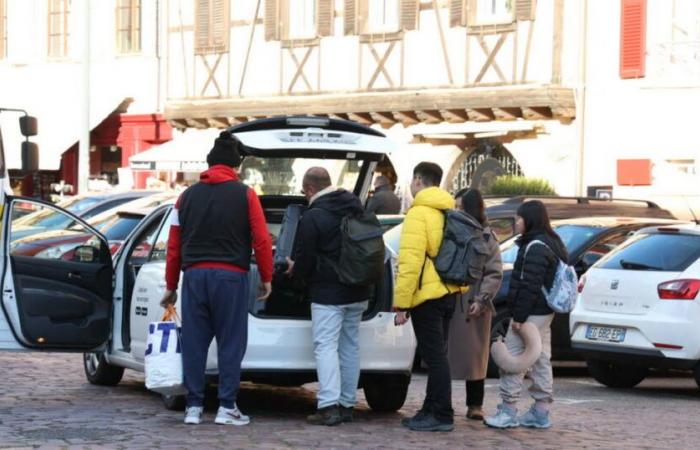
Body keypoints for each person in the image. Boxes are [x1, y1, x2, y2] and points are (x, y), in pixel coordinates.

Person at [160, 131, 273, 426]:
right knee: (230, 341)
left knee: (195, 342)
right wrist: (267, 275)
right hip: (231, 276)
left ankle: (194, 406)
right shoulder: (246, 194)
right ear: (235, 167)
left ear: (209, 164)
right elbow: (261, 239)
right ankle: (226, 406)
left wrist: (171, 285)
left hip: (194, 276)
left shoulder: (185, 197)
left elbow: (174, 246)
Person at [285, 167, 370, 426]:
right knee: (350, 346)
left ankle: (328, 406)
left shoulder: (314, 216)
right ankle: (346, 405)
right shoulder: (357, 208)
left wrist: (293, 272)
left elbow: (306, 259)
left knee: (326, 346)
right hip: (358, 290)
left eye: (303, 191)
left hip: (327, 293)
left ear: (310, 189)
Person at [484, 200, 567, 430]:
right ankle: (541, 411)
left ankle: (508, 411)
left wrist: (519, 318)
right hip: (544, 313)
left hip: (530, 313)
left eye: (520, 218)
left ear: (530, 219)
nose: (517, 222)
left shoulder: (536, 247)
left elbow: (529, 284)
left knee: (513, 358)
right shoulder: (552, 242)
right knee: (540, 358)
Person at [394, 162, 462, 432]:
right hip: (448, 291)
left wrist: (401, 301)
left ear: (418, 180)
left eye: (412, 181)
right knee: (438, 354)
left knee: (434, 357)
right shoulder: (448, 210)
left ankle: (442, 414)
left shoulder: (419, 213)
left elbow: (410, 262)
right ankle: (429, 409)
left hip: (427, 295)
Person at [447, 188, 503, 421]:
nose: (457, 211)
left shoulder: (487, 236)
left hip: (473, 301)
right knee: (444, 356)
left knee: (475, 357)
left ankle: (475, 404)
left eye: (461, 207)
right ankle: (442, 402)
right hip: (450, 298)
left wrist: (482, 299)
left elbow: (494, 272)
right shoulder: (448, 231)